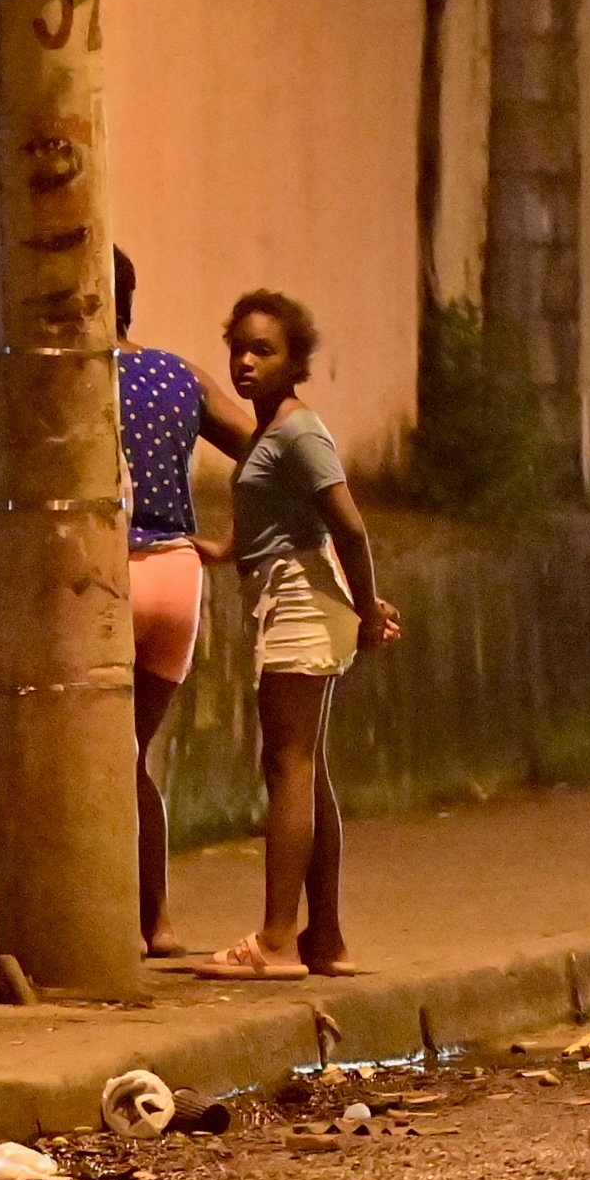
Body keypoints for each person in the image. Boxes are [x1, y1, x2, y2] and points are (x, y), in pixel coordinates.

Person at [187, 289, 401, 982]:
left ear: (294, 361)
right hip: (286, 592)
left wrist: (367, 608)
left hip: (299, 600)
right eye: (239, 348)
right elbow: (271, 512)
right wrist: (224, 548)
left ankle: (276, 938)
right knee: (304, 768)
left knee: (288, 767)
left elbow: (347, 524)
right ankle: (325, 936)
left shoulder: (298, 430)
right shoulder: (270, 433)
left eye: (263, 350)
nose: (245, 362)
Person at [110, 249, 255, 958]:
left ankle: (98, 919)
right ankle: (155, 919)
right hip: (177, 572)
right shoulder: (178, 374)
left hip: (106, 572)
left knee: (103, 756)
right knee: (135, 752)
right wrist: (231, 538)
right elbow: (270, 448)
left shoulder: (60, 373)